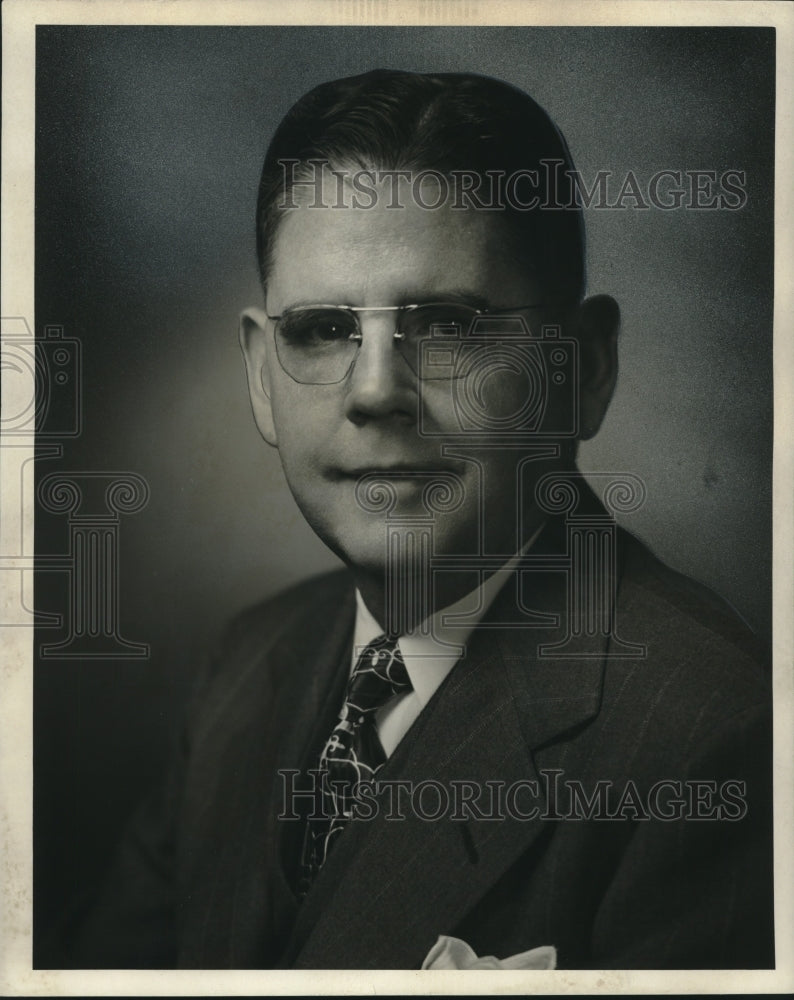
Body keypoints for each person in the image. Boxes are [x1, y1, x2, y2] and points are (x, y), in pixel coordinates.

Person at [58, 69, 773, 970]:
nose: (375, 392)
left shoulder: (715, 735)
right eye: (324, 329)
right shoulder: (246, 671)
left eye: (446, 324)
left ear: (582, 369)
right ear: (261, 378)